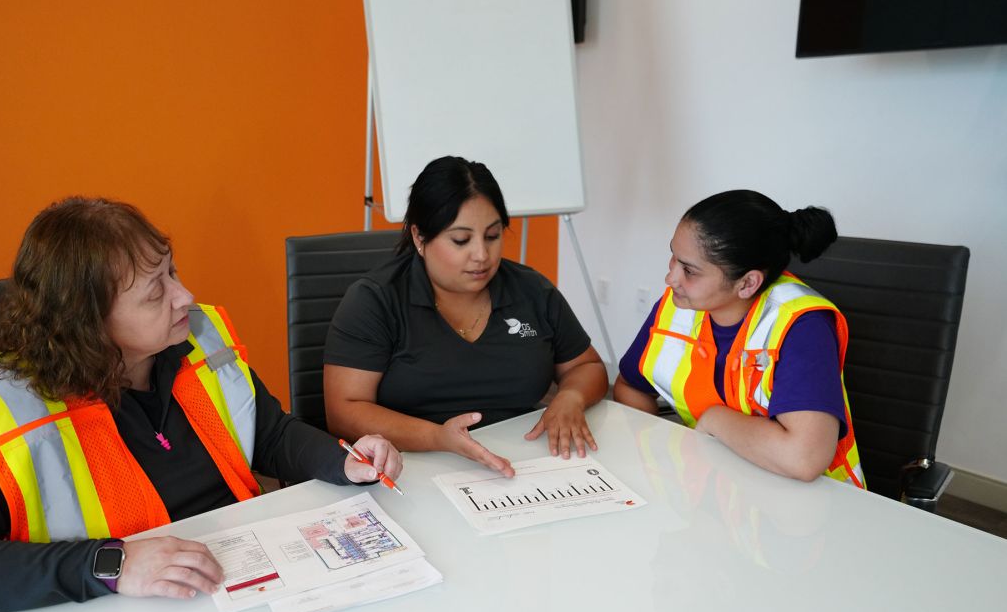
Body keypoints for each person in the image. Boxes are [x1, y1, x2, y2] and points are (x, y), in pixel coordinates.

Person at [0, 197, 402, 612]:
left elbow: (269, 435)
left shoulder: (198, 339)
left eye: (172, 272)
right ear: (87, 322)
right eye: (155, 291)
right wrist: (110, 564)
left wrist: (343, 460)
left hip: (241, 589)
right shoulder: (9, 415)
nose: (185, 296)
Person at [323, 156, 608, 477]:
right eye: (461, 240)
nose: (482, 256)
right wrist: (437, 437)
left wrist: (571, 396)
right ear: (419, 237)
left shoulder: (531, 291)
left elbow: (587, 366)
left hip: (521, 464)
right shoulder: (376, 300)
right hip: (408, 467)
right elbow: (343, 409)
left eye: (492, 235)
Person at [613, 189, 864, 487]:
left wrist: (715, 420)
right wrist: (660, 458)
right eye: (674, 257)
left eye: (689, 270)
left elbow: (804, 458)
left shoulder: (801, 325)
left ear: (747, 283)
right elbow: (630, 385)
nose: (671, 278)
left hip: (808, 510)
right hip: (716, 490)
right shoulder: (678, 305)